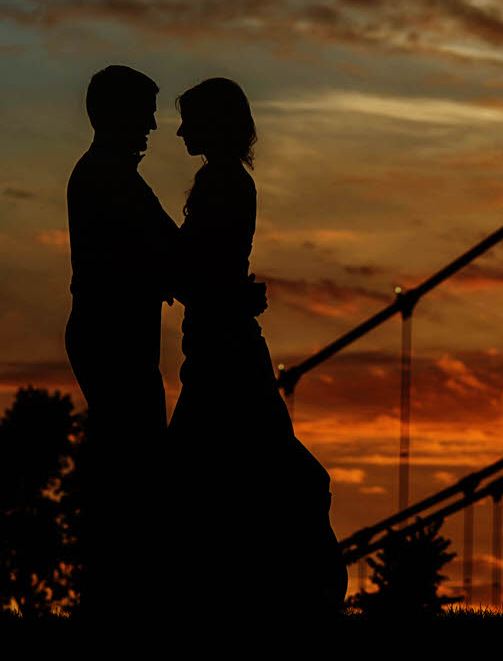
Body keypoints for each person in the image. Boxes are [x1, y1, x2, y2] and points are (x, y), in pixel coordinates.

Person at [165, 77, 346, 619]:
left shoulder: (221, 183)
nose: (178, 130)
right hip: (228, 343)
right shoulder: (227, 180)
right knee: (254, 470)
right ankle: (280, 589)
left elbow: (194, 267)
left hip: (223, 350)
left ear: (214, 124)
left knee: (197, 475)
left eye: (189, 120)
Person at [64, 65, 179, 618]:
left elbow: (164, 251)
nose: (154, 127)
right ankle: (123, 600)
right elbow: (166, 250)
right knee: (134, 468)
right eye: (145, 114)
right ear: (117, 115)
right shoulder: (107, 177)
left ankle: (119, 596)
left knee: (129, 466)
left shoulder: (109, 175)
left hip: (110, 337)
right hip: (114, 340)